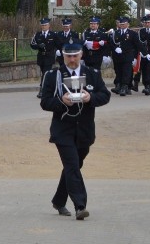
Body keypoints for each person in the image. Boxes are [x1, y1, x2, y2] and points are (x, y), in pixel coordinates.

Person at [40, 41, 111, 220]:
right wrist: (61, 101)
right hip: (62, 129)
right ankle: (80, 206)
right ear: (63, 57)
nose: (72, 60)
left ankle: (58, 200)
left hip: (85, 130)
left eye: (75, 56)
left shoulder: (92, 74)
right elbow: (45, 102)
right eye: (68, 56)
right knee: (72, 165)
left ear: (81, 56)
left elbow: (105, 96)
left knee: (74, 167)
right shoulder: (53, 75)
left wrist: (90, 98)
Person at [109, 16, 139, 96]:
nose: (121, 25)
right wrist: (115, 48)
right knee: (119, 72)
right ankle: (119, 86)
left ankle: (125, 87)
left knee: (127, 72)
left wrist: (139, 55)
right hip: (118, 57)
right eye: (120, 24)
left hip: (128, 56)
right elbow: (111, 43)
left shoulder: (132, 33)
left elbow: (137, 45)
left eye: (123, 24)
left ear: (128, 24)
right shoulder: (116, 33)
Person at [30, 17, 58, 98]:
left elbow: (57, 44)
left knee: (46, 73)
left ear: (49, 25)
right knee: (44, 73)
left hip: (49, 56)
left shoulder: (53, 34)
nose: (43, 27)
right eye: (42, 25)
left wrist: (57, 51)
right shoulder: (38, 34)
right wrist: (38, 46)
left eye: (45, 25)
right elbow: (32, 44)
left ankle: (42, 90)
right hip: (41, 57)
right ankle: (48, 89)